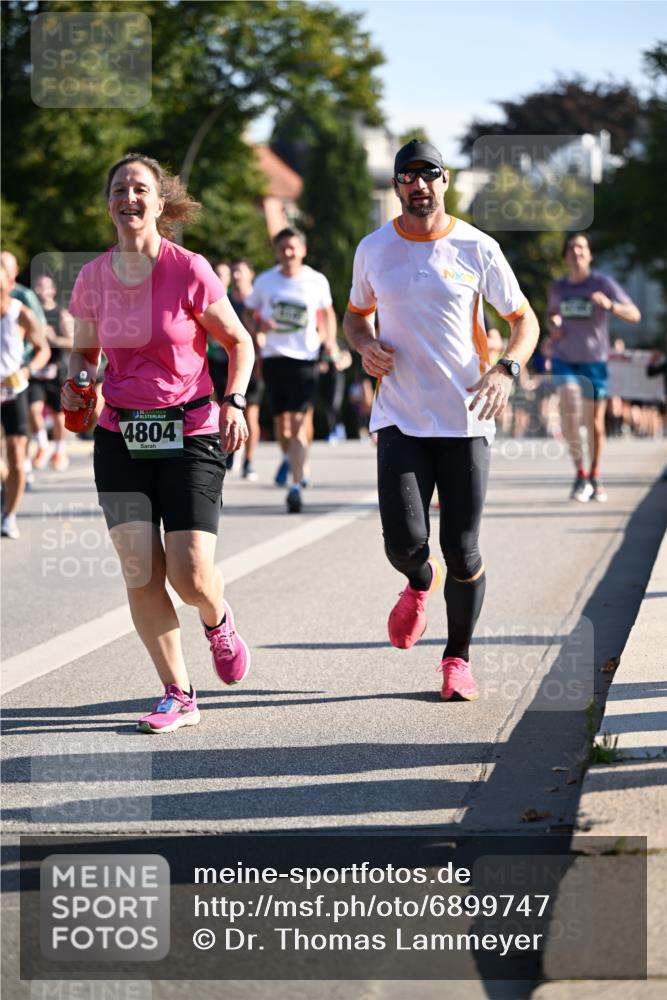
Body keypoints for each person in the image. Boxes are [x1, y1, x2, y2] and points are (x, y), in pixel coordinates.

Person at [63, 152, 255, 733]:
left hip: (192, 429)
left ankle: (217, 618)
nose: (129, 198)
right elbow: (83, 355)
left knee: (190, 574)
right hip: (120, 432)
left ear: (159, 202)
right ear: (110, 204)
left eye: (140, 188)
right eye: (119, 189)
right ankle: (178, 692)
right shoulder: (93, 278)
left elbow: (238, 343)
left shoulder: (190, 269)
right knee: (141, 572)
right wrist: (76, 385)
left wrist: (235, 402)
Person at [343, 138, 539, 701]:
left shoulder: (477, 248)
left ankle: (457, 659)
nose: (418, 185)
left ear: (445, 181)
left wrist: (506, 368)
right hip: (401, 416)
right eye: (408, 177)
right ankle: (416, 583)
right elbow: (355, 318)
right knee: (406, 542)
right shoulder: (374, 249)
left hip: (466, 419)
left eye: (429, 175)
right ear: (397, 185)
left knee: (463, 548)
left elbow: (524, 321)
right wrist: (364, 345)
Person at [243, 227, 337, 512]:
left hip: (304, 358)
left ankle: (296, 485)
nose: (288, 253)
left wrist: (329, 341)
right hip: (273, 358)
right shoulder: (265, 281)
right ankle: (294, 461)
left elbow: (329, 314)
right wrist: (258, 329)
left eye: (293, 248)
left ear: (303, 250)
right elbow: (247, 312)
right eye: (283, 248)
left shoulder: (315, 281)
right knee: (282, 426)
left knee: (297, 423)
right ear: (277, 251)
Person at [546, 233, 640, 502]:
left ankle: (595, 475)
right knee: (570, 408)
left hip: (594, 360)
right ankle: (580, 474)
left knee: (595, 422)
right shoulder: (559, 287)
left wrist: (609, 305)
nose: (577, 251)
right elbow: (552, 314)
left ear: (589, 254)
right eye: (572, 247)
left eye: (582, 247)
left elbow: (635, 314)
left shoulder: (602, 283)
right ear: (566, 255)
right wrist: (554, 326)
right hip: (565, 358)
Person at [1, 264, 51, 538]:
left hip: (14, 391)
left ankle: (9, 516)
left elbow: (43, 349)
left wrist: (26, 370)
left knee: (18, 458)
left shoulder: (20, 313)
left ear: (10, 284)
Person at [29, 274, 74, 471]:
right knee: (33, 410)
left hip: (56, 371)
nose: (40, 290)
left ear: (53, 290)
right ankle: (41, 445)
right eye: (37, 286)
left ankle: (59, 450)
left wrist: (54, 338)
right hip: (35, 371)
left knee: (58, 415)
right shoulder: (30, 313)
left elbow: (74, 343)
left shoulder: (61, 314)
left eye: (44, 286)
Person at [229, 259, 262, 480]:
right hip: (227, 365)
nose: (236, 275)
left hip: (256, 363)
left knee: (251, 414)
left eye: (240, 271)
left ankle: (248, 461)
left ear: (251, 273)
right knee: (225, 410)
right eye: (233, 272)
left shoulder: (259, 300)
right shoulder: (225, 300)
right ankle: (229, 454)